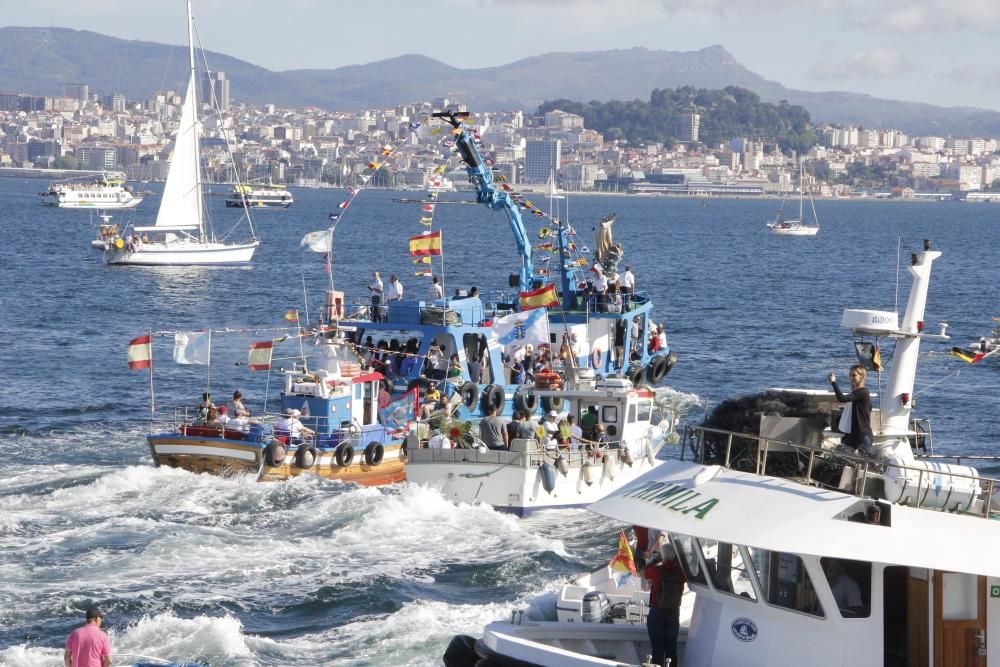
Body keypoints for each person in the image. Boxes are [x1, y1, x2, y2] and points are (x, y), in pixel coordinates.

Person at [643, 543, 686, 667]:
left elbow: (644, 573)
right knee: (671, 649)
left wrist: (655, 560)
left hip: (657, 613)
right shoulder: (681, 573)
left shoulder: (656, 571)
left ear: (663, 556)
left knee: (657, 649)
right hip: (673, 613)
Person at [829, 365, 873, 455]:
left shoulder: (863, 392)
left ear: (862, 376)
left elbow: (842, 398)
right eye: (850, 375)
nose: (851, 377)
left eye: (854, 375)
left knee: (863, 462)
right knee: (842, 457)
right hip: (853, 433)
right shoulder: (857, 393)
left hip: (862, 435)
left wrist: (833, 382)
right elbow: (869, 408)